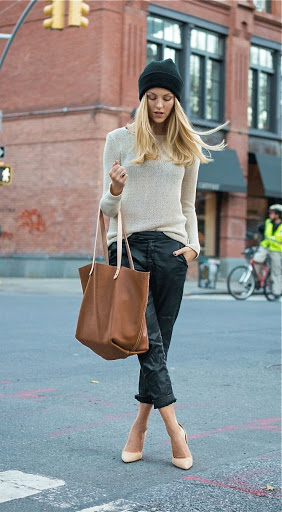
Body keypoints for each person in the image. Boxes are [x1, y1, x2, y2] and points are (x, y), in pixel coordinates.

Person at [100, 59, 227, 469]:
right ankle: (175, 429)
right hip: (129, 248)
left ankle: (139, 425)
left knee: (158, 345)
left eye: (166, 98)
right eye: (151, 97)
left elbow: (188, 205)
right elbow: (105, 207)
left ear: (176, 100)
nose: (158, 104)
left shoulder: (184, 145)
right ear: (142, 98)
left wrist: (194, 246)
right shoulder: (118, 139)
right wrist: (116, 189)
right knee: (148, 341)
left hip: (172, 251)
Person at [254, 204, 282, 300]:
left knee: (276, 271)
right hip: (265, 247)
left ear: (278, 214)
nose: (270, 214)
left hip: (276, 250)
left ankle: (277, 292)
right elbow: (259, 230)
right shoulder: (267, 223)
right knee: (256, 261)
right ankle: (259, 280)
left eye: (272, 213)